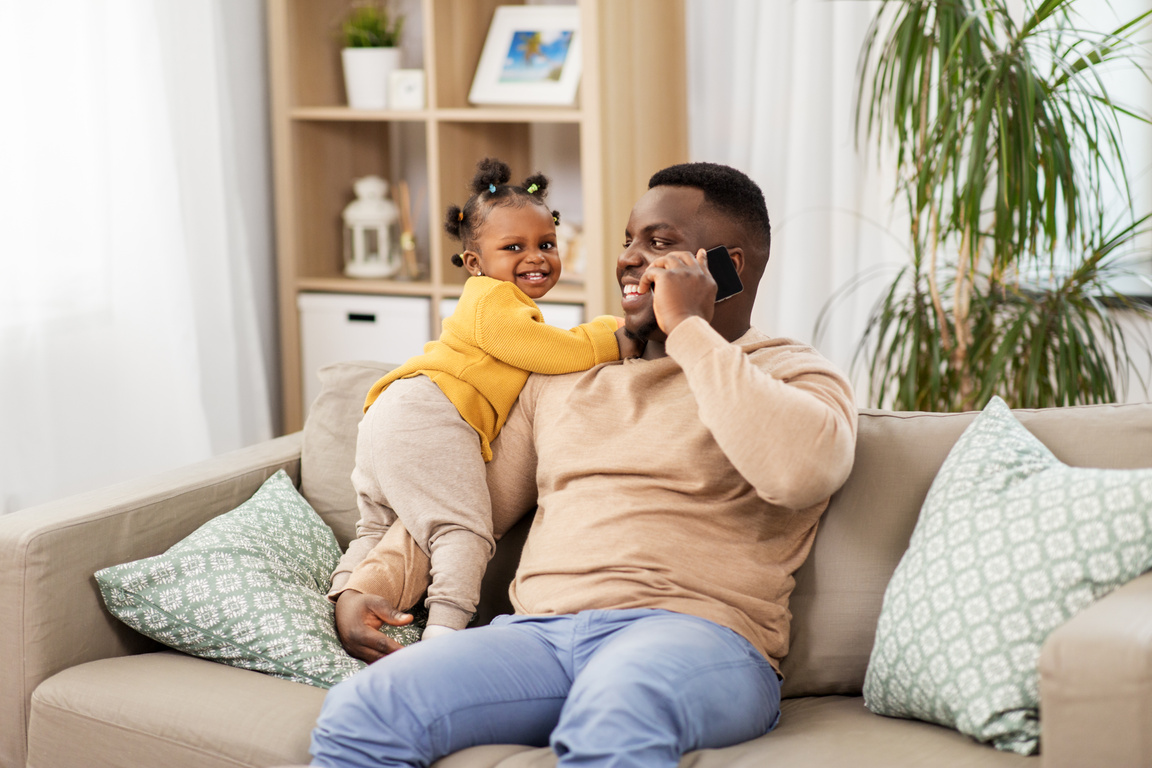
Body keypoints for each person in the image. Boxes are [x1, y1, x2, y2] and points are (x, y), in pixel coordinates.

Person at [313, 162, 858, 767]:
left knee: (614, 717)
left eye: (658, 243)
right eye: (628, 240)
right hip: (539, 637)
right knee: (360, 712)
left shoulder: (788, 372)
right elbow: (469, 504)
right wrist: (366, 585)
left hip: (696, 639)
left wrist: (690, 331)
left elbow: (800, 473)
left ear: (726, 265)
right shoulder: (566, 382)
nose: (628, 258)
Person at [328, 158, 639, 641]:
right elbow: (554, 352)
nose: (536, 257)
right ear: (475, 263)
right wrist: (611, 334)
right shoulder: (492, 299)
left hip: (391, 415)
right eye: (513, 247)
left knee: (380, 527)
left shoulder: (505, 307)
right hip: (426, 411)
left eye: (546, 244)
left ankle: (344, 596)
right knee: (463, 532)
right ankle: (445, 634)